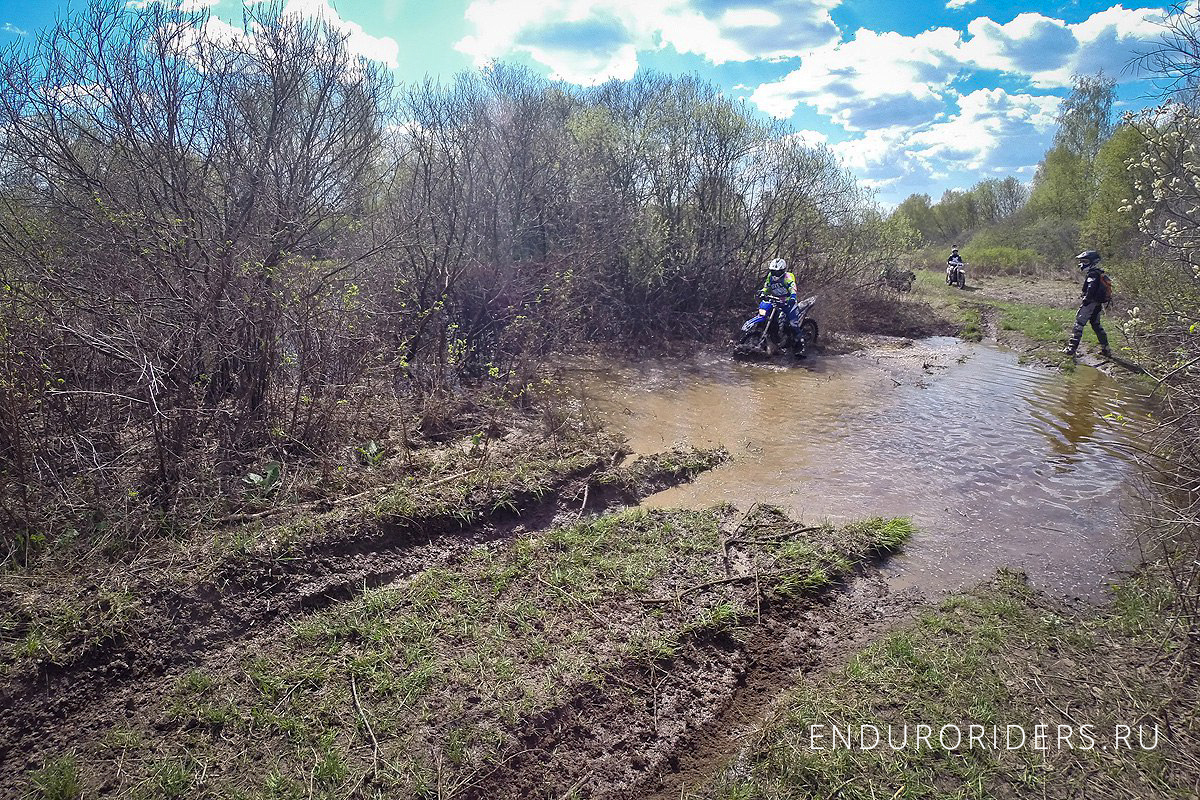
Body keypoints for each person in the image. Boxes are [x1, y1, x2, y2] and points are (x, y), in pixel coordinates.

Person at [1061, 249, 1111, 358]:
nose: (1082, 264)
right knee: (1096, 325)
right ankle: (1106, 349)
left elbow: (1091, 287)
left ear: (1093, 262)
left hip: (1090, 303)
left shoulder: (1092, 274)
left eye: (1085, 262)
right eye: (1082, 261)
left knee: (1079, 324)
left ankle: (1071, 349)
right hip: (1097, 303)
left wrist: (1086, 300)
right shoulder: (1099, 272)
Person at [760, 257, 802, 334]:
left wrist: (793, 297)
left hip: (788, 302)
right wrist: (763, 292)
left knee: (793, 323)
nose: (775, 274)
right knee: (766, 315)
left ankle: (800, 341)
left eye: (777, 272)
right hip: (775, 301)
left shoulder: (787, 277)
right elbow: (767, 287)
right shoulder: (770, 277)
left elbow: (792, 287)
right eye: (773, 272)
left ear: (782, 271)